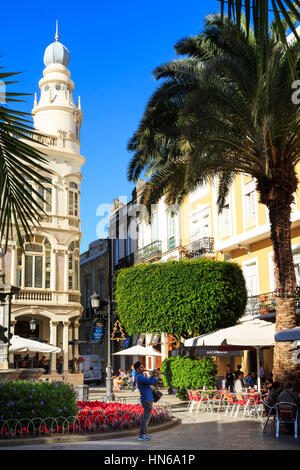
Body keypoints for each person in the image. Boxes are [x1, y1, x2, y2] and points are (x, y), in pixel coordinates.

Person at [134, 360, 158, 441]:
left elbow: (151, 381)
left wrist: (153, 376)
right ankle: (141, 435)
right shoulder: (140, 376)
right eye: (141, 367)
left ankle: (145, 433)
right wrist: (154, 376)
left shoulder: (141, 375)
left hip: (148, 398)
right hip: (146, 399)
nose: (143, 368)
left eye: (143, 366)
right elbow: (150, 382)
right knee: (146, 417)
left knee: (147, 417)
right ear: (137, 369)